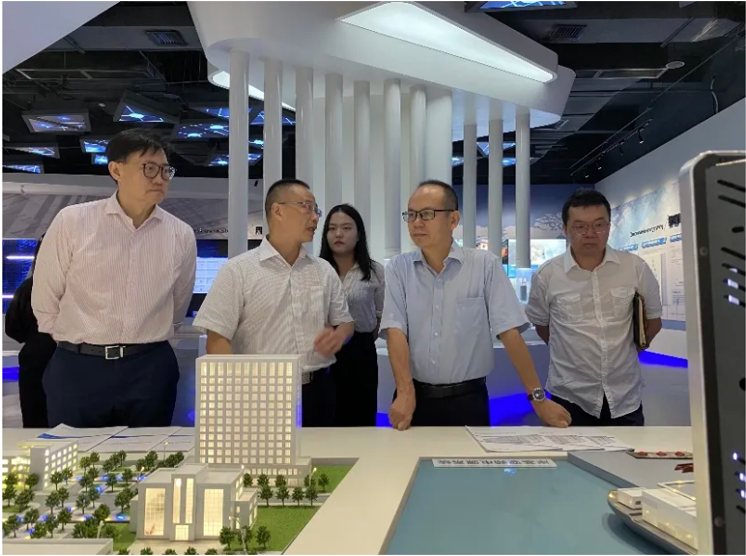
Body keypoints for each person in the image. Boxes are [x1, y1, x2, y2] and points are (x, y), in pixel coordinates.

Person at [31, 129, 197, 428]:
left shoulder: (180, 234)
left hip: (149, 367)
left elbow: (178, 302)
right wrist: (78, 341)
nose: (160, 178)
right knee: (73, 452)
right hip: (79, 365)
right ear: (116, 170)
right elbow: (46, 297)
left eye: (165, 170)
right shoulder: (73, 221)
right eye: (149, 168)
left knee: (146, 453)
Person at [381, 179, 571, 429]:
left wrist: (538, 399)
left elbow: (509, 332)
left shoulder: (484, 265)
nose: (417, 222)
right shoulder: (398, 268)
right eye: (412, 215)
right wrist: (405, 391)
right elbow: (395, 330)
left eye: (427, 214)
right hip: (413, 398)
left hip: (467, 400)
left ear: (453, 219)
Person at [193, 179, 355, 427]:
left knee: (321, 451)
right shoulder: (238, 270)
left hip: (318, 390)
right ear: (278, 210)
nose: (315, 218)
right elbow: (217, 338)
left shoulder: (323, 270)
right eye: (306, 207)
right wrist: (235, 392)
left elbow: (345, 322)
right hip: (260, 393)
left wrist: (339, 335)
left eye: (316, 210)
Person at [525, 189, 663, 427]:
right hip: (569, 395)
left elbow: (653, 321)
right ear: (566, 229)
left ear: (609, 227)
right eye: (580, 227)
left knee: (628, 452)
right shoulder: (547, 275)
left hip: (624, 396)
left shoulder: (634, 267)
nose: (590, 234)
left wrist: (626, 353)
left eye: (599, 225)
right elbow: (543, 327)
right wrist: (572, 354)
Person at [319, 204, 384, 427]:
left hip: (361, 352)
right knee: (325, 418)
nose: (338, 234)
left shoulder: (375, 272)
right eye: (332, 228)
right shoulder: (316, 270)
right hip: (324, 352)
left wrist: (364, 338)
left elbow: (381, 313)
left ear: (358, 234)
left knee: (360, 420)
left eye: (346, 228)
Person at [5, 235, 57, 428]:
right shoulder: (75, 287)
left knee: (35, 418)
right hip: (70, 356)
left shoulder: (28, 287)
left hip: (35, 358)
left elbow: (12, 327)